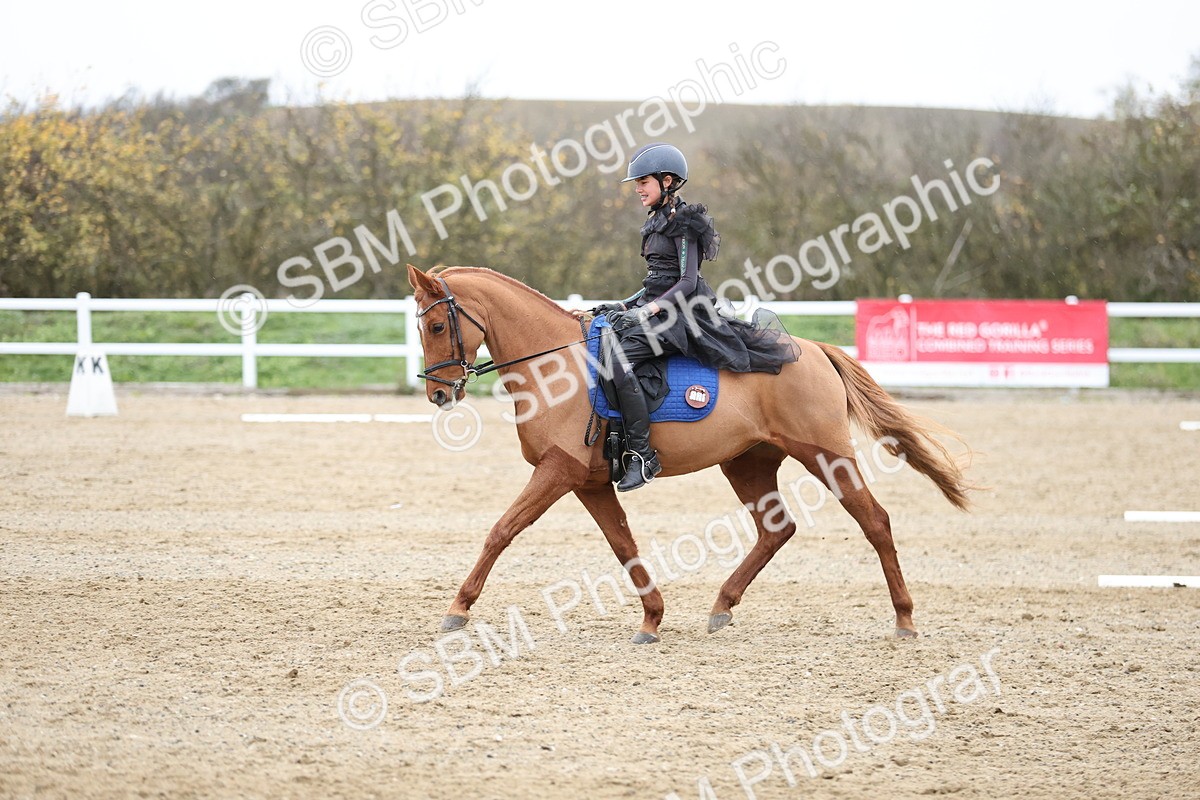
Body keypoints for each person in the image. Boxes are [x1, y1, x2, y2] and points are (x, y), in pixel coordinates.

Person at [592, 142, 799, 492]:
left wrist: (647, 310)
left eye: (644, 181)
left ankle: (643, 456)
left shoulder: (686, 223)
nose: (638, 188)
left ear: (667, 180)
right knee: (606, 341)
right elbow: (657, 281)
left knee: (619, 358)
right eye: (637, 182)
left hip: (683, 315)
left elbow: (686, 282)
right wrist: (624, 306)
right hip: (660, 309)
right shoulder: (655, 221)